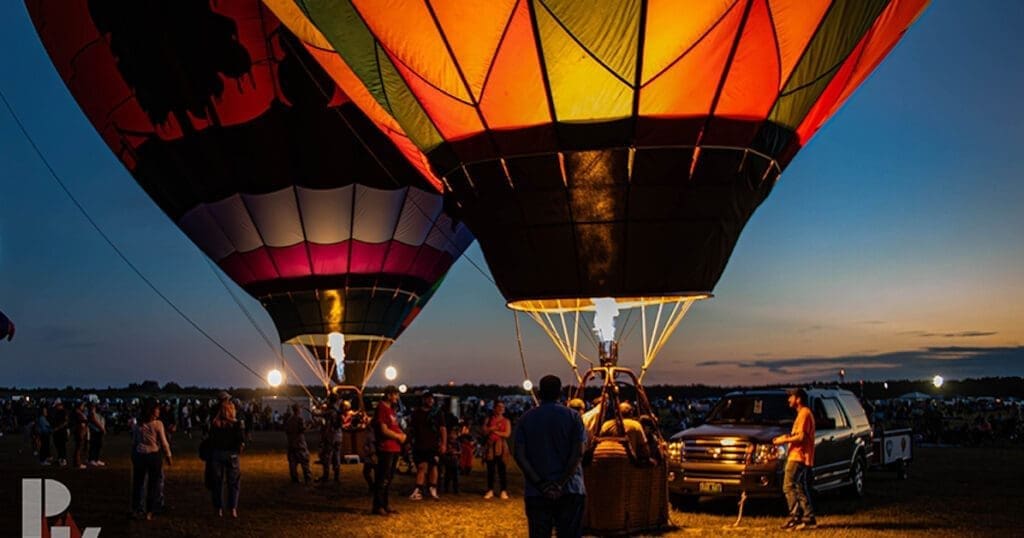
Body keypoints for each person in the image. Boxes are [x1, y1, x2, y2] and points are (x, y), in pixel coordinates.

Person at [513, 374, 586, 538]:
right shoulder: (573, 417)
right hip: (570, 489)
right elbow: (578, 453)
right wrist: (560, 483)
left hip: (536, 491)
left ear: (539, 393)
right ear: (560, 393)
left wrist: (540, 484)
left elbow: (519, 455)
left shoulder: (526, 418)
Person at [773, 388, 817, 530]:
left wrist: (784, 440)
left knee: (788, 485)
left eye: (791, 396)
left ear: (798, 399)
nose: (788, 399)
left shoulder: (804, 414)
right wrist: (786, 438)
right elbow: (799, 435)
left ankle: (795, 517)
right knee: (798, 486)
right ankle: (808, 517)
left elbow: (801, 437)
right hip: (799, 455)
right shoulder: (803, 414)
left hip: (798, 456)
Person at [131, 398, 173, 520]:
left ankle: (137, 509)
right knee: (153, 484)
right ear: (151, 410)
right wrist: (168, 456)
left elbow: (134, 442)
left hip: (139, 455)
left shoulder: (138, 424)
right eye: (157, 409)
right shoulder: (158, 424)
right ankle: (150, 511)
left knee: (138, 483)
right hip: (153, 455)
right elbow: (164, 443)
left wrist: (133, 455)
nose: (159, 411)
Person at [206, 398, 245, 518]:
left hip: (217, 454)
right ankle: (233, 509)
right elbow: (241, 440)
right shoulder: (237, 424)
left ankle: (218, 509)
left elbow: (211, 439)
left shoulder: (215, 424)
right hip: (232, 455)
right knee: (233, 483)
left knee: (217, 483)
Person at [372, 385, 407, 516]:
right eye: (395, 395)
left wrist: (401, 435)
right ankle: (378, 505)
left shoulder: (390, 409)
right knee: (382, 478)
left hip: (394, 447)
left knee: (389, 478)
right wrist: (398, 436)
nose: (397, 398)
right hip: (386, 448)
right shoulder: (382, 408)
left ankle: (385, 504)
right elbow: (384, 430)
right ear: (389, 395)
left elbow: (393, 425)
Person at [409, 391, 446, 500]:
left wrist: (443, 443)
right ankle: (418, 489)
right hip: (420, 444)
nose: (430, 401)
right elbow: (412, 429)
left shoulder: (437, 413)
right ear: (423, 400)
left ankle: (433, 488)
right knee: (422, 466)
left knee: (434, 465)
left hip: (433, 444)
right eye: (428, 398)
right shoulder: (416, 413)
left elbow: (443, 429)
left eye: (432, 399)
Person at [482, 401, 511, 500]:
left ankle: (503, 490)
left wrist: (494, 431)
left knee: (502, 469)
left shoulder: (506, 421)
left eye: (502, 407)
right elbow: (484, 431)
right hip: (490, 446)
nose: (501, 409)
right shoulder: (489, 419)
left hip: (501, 446)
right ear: (494, 408)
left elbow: (507, 434)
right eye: (498, 407)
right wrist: (492, 428)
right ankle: (490, 489)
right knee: (490, 469)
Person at [283, 404, 311, 484]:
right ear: (298, 410)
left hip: (291, 443)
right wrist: (309, 426)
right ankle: (307, 478)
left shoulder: (289, 420)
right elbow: (302, 429)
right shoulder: (300, 419)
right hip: (300, 443)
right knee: (304, 461)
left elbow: (286, 430)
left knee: (293, 463)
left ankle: (294, 478)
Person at [87, 402, 107, 466]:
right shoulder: (91, 413)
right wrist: (102, 428)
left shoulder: (98, 413)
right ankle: (91, 460)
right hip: (95, 431)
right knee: (94, 446)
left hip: (98, 431)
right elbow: (95, 421)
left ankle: (96, 459)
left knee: (98, 446)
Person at [51, 399, 69, 467]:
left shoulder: (63, 412)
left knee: (62, 446)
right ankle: (60, 459)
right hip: (58, 432)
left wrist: (57, 428)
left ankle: (63, 459)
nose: (56, 407)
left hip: (61, 432)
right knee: (59, 446)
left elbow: (65, 422)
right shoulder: (58, 412)